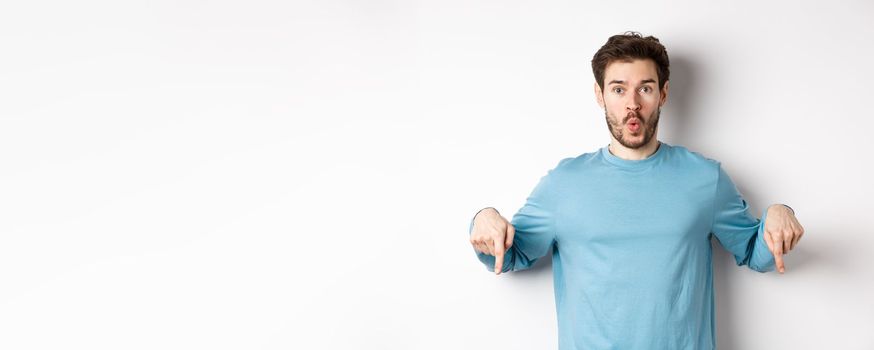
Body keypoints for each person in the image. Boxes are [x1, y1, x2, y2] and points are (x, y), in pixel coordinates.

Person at [467, 32, 805, 349]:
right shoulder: (564, 184)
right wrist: (483, 219)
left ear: (664, 93)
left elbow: (756, 251)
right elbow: (508, 255)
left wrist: (779, 213)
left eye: (645, 88)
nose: (633, 104)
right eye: (618, 89)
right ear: (599, 95)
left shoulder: (705, 178)